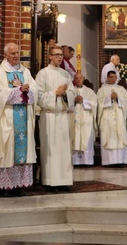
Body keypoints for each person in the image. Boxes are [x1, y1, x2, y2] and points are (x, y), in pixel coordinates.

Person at [0, 42, 38, 196]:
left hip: (23, 119)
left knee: (21, 151)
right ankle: (3, 187)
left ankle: (18, 185)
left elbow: (35, 89)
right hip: (6, 118)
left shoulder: (25, 71)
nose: (16, 56)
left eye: (17, 53)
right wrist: (18, 90)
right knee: (5, 150)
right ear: (5, 55)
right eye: (13, 53)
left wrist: (28, 91)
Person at [35, 45, 76, 192]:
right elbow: (38, 97)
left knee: (63, 149)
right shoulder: (43, 74)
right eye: (56, 54)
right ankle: (50, 181)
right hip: (49, 116)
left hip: (62, 116)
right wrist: (55, 93)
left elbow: (73, 92)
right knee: (51, 149)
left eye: (61, 55)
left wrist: (65, 95)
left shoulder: (65, 74)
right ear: (50, 56)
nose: (59, 57)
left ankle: (63, 180)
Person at [97, 71, 127, 166]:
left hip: (119, 115)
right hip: (107, 116)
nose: (113, 79)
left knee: (120, 135)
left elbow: (126, 101)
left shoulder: (121, 89)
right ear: (107, 78)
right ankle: (108, 161)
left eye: (115, 77)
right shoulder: (102, 90)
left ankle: (120, 160)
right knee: (108, 135)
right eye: (111, 77)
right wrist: (109, 98)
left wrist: (118, 98)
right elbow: (98, 102)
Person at [70, 73, 98, 166]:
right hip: (74, 119)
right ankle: (74, 161)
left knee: (86, 138)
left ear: (83, 79)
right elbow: (65, 104)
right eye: (76, 78)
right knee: (74, 138)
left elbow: (95, 104)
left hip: (86, 120)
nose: (78, 80)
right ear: (74, 79)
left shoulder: (89, 91)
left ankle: (87, 161)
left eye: (80, 78)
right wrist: (73, 101)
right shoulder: (70, 91)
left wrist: (84, 101)